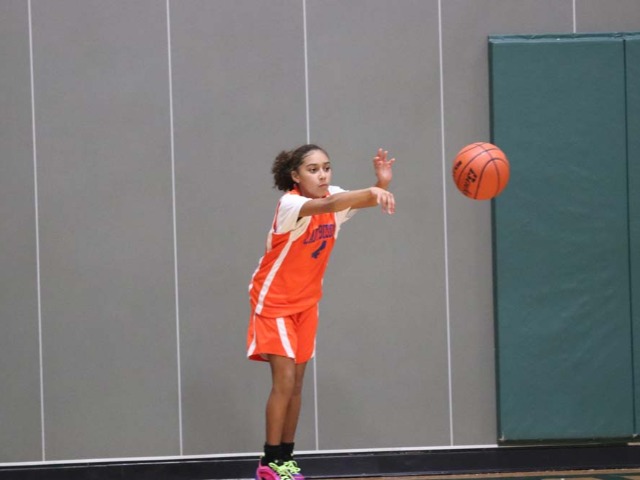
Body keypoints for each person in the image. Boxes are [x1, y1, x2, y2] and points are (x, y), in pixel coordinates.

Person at [246, 144, 396, 480]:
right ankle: (269, 463)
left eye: (326, 167)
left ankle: (286, 459)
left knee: (297, 384)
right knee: (284, 381)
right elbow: (329, 204)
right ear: (295, 176)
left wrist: (381, 185)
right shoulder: (291, 204)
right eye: (313, 169)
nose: (322, 175)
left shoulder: (335, 197)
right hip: (274, 301)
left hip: (306, 302)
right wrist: (371, 191)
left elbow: (354, 200)